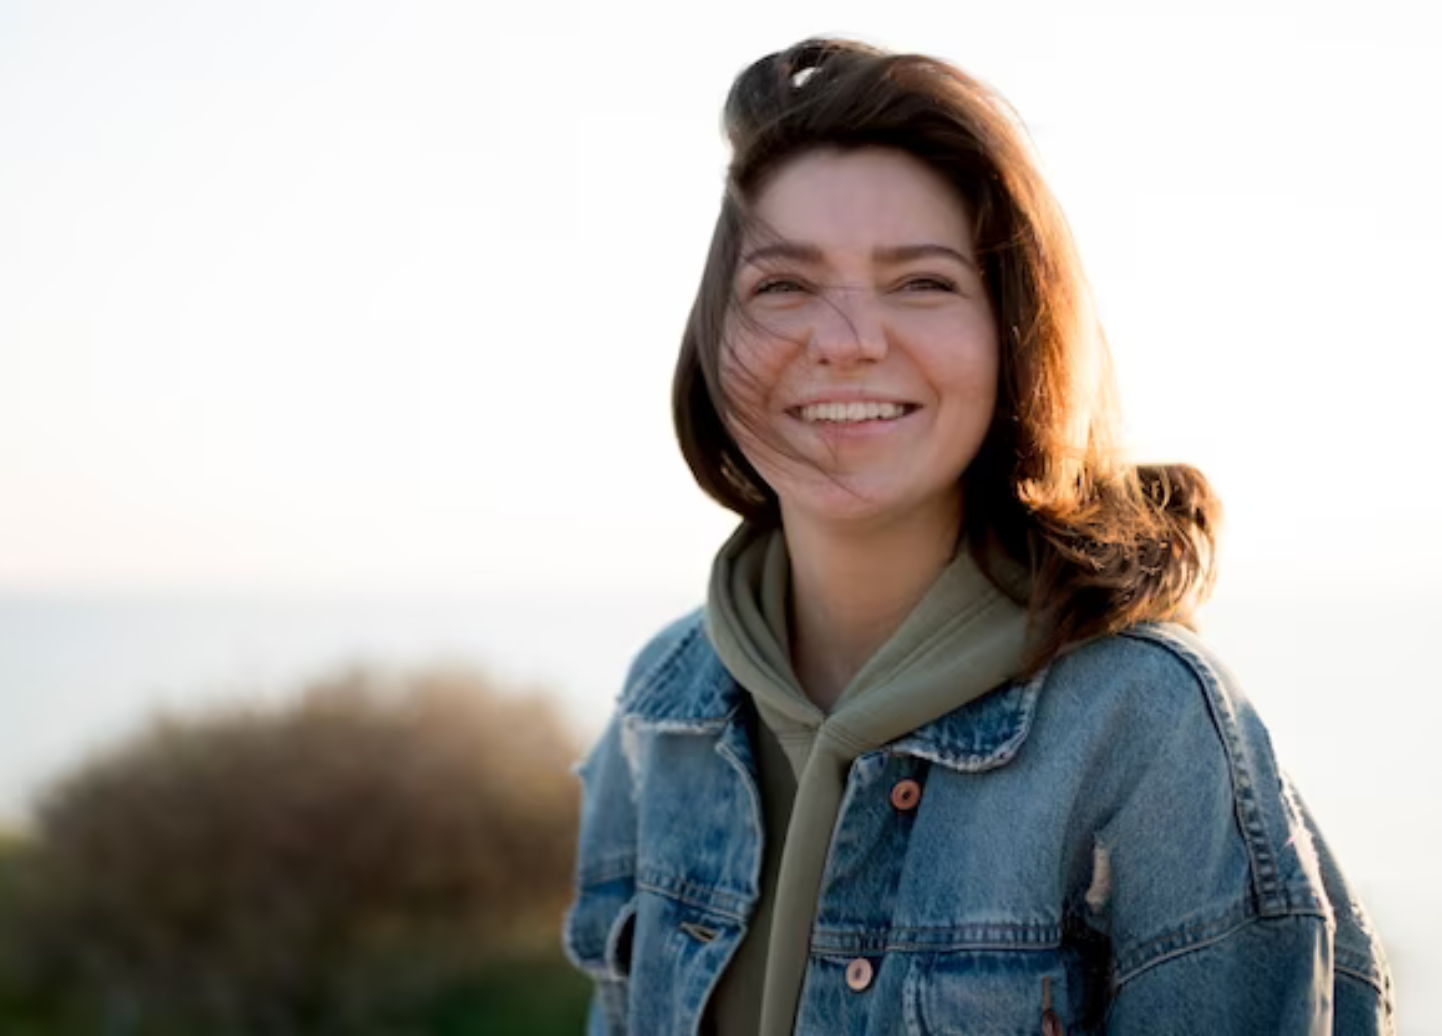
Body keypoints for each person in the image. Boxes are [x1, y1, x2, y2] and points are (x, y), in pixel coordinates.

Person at [562, 37, 1393, 1035]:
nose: (845, 339)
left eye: (920, 283)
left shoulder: (1144, 726)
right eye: (782, 286)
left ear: (1012, 334)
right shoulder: (663, 712)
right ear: (714, 336)